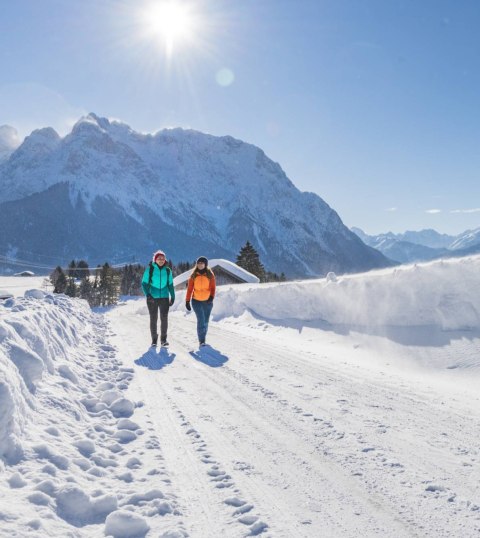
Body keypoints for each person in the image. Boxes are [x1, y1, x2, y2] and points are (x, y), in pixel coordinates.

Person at [142, 250, 175, 347]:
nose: (161, 260)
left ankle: (163, 340)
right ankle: (154, 340)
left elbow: (170, 285)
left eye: (163, 258)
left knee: (164, 318)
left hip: (164, 297)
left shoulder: (168, 270)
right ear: (155, 259)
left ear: (165, 259)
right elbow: (144, 283)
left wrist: (172, 296)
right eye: (159, 258)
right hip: (152, 298)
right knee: (153, 318)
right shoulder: (150, 269)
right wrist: (148, 294)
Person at [185, 256, 216, 346]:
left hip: (207, 302)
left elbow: (213, 288)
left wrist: (211, 297)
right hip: (196, 301)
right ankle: (202, 340)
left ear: (205, 264)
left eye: (202, 263)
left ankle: (203, 336)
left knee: (206, 321)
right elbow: (190, 289)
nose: (200, 265)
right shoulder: (193, 275)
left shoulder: (210, 275)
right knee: (201, 319)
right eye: (198, 263)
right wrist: (187, 301)